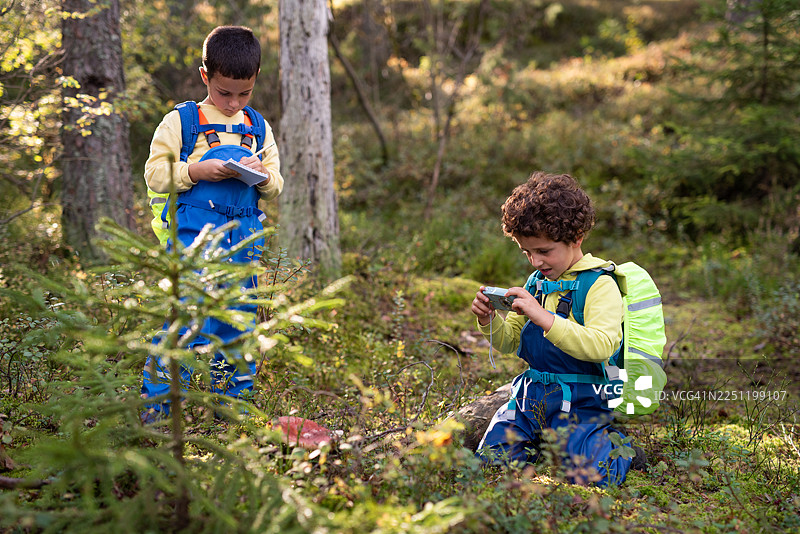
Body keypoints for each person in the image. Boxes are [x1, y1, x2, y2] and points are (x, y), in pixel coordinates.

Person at [140, 26, 284, 420]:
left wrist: (263, 174)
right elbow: (155, 174)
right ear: (206, 77)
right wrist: (197, 170)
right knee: (186, 321)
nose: (235, 102)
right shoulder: (182, 122)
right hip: (193, 243)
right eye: (225, 92)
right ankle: (160, 411)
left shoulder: (258, 128)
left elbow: (276, 184)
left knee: (237, 323)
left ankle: (231, 412)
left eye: (245, 93)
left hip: (243, 242)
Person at [470, 171, 633, 486]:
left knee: (592, 478)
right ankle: (539, 446)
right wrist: (488, 320)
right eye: (527, 252)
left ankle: (617, 447)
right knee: (490, 462)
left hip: (582, 399)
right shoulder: (537, 284)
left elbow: (602, 345)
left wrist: (542, 316)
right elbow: (510, 342)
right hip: (530, 396)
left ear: (576, 239)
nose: (534, 261)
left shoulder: (600, 285)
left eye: (544, 251)